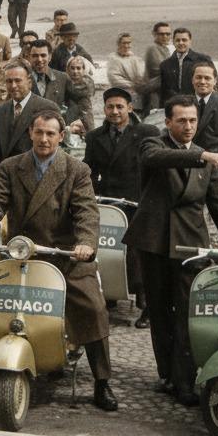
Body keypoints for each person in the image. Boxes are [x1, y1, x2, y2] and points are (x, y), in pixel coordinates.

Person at [0, 109, 118, 409]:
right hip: (22, 253)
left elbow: (87, 211)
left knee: (93, 306)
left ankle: (102, 382)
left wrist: (85, 243)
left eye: (51, 133)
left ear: (62, 137)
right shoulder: (11, 167)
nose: (44, 139)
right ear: (30, 134)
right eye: (39, 132)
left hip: (65, 255)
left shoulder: (76, 170)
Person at [125, 95, 218, 405]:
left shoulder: (204, 155)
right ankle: (168, 376)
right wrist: (203, 157)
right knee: (159, 311)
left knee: (189, 312)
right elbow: (155, 159)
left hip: (191, 242)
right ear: (169, 122)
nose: (188, 126)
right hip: (155, 240)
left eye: (193, 120)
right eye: (182, 121)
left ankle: (185, 380)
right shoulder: (154, 142)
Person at [84, 86, 161, 326]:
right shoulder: (95, 137)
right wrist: (89, 197)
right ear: (104, 108)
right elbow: (90, 171)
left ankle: (146, 304)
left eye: (120, 107)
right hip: (108, 204)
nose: (115, 111)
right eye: (110, 107)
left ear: (130, 107)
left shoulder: (147, 132)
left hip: (138, 202)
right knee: (106, 249)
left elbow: (156, 165)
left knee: (139, 254)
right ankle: (108, 294)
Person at [0, 62, 57, 176]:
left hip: (34, 177)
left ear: (29, 82)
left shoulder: (46, 108)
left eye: (18, 80)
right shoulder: (0, 111)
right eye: (9, 81)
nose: (13, 85)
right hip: (5, 178)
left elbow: (52, 151)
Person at [157, 27, 211, 105]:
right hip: (174, 107)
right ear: (173, 42)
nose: (181, 43)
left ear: (190, 41)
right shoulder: (165, 65)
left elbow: (215, 84)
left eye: (184, 40)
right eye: (178, 40)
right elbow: (163, 92)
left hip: (198, 105)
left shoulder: (203, 60)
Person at [141, 22, 174, 114]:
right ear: (154, 34)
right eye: (161, 34)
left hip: (162, 89)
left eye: (168, 34)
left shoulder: (166, 48)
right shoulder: (152, 48)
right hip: (154, 92)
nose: (165, 36)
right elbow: (158, 70)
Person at [25, 40, 68, 106]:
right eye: (35, 56)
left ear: (50, 57)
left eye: (43, 55)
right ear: (29, 57)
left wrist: (67, 115)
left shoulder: (63, 78)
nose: (39, 59)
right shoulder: (22, 78)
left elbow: (77, 101)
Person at [105, 32, 145, 99]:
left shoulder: (135, 59)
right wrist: (133, 85)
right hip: (122, 92)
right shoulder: (114, 59)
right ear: (118, 44)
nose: (126, 46)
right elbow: (114, 79)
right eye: (124, 43)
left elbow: (142, 74)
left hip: (137, 91)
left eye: (128, 43)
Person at [62, 57, 95, 134]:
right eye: (72, 68)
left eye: (78, 68)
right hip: (67, 118)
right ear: (67, 70)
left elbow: (86, 112)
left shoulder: (87, 86)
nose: (75, 71)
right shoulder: (63, 84)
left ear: (83, 70)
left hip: (84, 119)